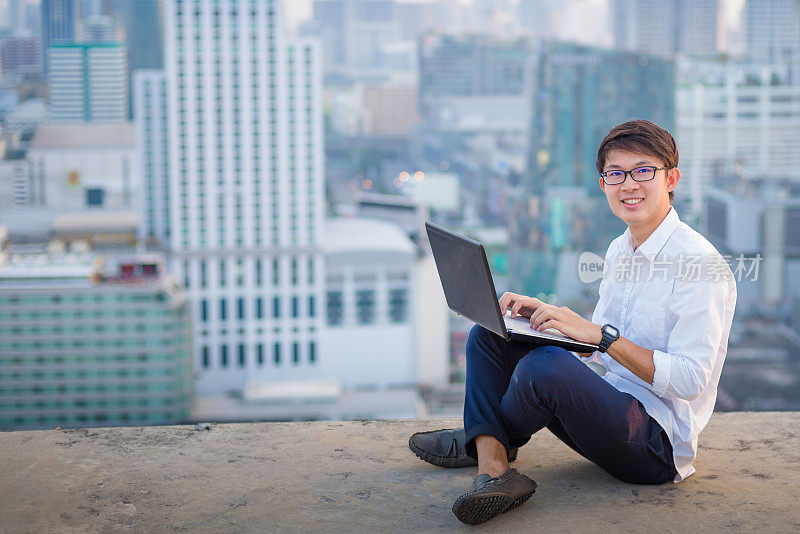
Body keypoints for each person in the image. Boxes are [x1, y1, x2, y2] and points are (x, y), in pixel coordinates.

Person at [408, 119, 737, 525]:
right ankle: (492, 460)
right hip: (609, 405)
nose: (629, 184)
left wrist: (598, 334)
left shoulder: (699, 265)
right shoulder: (621, 249)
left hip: (654, 444)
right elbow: (598, 351)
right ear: (603, 185)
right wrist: (544, 318)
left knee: (543, 368)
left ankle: (482, 439)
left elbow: (690, 380)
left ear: (672, 178)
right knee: (489, 335)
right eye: (616, 173)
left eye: (643, 171)